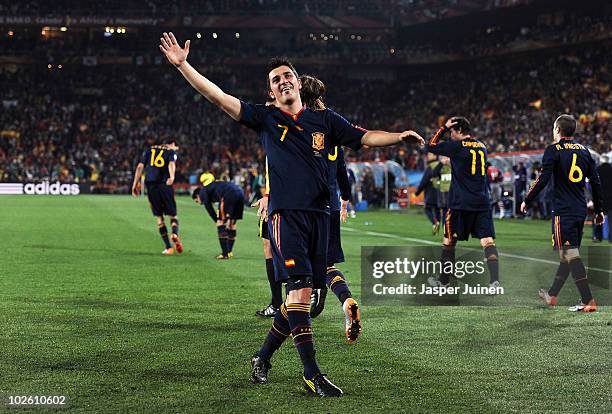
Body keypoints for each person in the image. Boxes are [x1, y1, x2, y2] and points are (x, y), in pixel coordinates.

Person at [158, 32, 423, 397]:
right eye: (275, 80)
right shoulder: (265, 118)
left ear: (298, 83)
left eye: (287, 76)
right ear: (271, 92)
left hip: (321, 215)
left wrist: (398, 137)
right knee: (299, 291)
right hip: (286, 216)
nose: (282, 81)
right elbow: (217, 97)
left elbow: (363, 137)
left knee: (297, 300)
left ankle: (263, 357)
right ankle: (312, 372)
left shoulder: (325, 120)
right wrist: (183, 65)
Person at [298, 74, 361, 343]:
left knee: (300, 265)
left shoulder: (301, 125)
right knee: (327, 264)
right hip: (331, 204)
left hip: (305, 205)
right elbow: (342, 170)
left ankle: (302, 303)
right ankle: (346, 300)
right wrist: (345, 198)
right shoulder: (332, 126)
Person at [522, 114, 604, 312]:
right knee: (565, 255)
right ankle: (552, 295)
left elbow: (543, 179)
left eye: (553, 128)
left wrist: (527, 199)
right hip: (579, 209)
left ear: (558, 130)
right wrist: (599, 210)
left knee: (570, 253)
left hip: (563, 210)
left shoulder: (553, 150)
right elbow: (596, 182)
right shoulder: (585, 152)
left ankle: (588, 299)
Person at [425, 117, 500, 289]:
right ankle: (494, 281)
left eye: (452, 132)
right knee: (488, 241)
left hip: (459, 203)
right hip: (482, 201)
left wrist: (443, 127)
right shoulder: (482, 146)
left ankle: (443, 281)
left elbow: (430, 146)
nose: (450, 136)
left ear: (458, 131)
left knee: (449, 241)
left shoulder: (457, 147)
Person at [131, 139, 183, 255]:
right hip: (165, 185)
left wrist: (135, 184)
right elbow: (171, 164)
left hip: (151, 186)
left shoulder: (149, 150)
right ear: (172, 144)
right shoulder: (170, 152)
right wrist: (172, 177)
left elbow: (140, 167)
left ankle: (168, 247)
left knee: (159, 218)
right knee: (173, 215)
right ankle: (174, 233)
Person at [192, 173, 244, 259]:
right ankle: (229, 251)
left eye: (197, 201)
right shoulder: (212, 186)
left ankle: (224, 254)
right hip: (240, 192)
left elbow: (209, 208)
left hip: (228, 194)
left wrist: (216, 220)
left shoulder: (202, 191)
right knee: (232, 224)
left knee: (220, 223)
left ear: (197, 196)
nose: (199, 203)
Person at [415, 153, 441, 235]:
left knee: (427, 208)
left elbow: (424, 181)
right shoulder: (442, 165)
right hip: (441, 192)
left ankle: (434, 223)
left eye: (430, 155)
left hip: (431, 192)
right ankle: (438, 223)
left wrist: (417, 192)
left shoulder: (431, 167)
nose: (428, 156)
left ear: (435, 156)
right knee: (437, 209)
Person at [595, 155, 611, 242]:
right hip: (610, 199)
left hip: (600, 198)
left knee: (599, 218)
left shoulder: (597, 170)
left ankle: (598, 237)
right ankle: (611, 238)